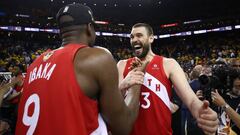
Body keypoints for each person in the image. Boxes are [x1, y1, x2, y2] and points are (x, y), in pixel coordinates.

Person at [16, 4, 147, 135]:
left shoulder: (34, 64)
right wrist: (137, 78)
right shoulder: (97, 57)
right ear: (89, 28)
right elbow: (123, 127)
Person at [118, 23, 219, 135]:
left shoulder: (168, 64)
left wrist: (202, 113)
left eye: (139, 35)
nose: (134, 39)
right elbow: (113, 102)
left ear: (151, 38)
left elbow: (191, 100)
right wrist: (123, 86)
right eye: (132, 37)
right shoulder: (122, 65)